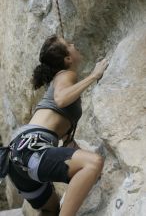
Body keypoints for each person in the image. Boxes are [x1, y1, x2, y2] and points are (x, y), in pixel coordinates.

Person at [8, 35, 108, 216]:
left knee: (51, 211)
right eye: (69, 44)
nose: (73, 44)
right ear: (67, 59)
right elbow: (61, 99)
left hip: (18, 155)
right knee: (94, 163)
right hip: (32, 148)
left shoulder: (58, 85)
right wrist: (95, 75)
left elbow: (68, 145)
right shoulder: (65, 75)